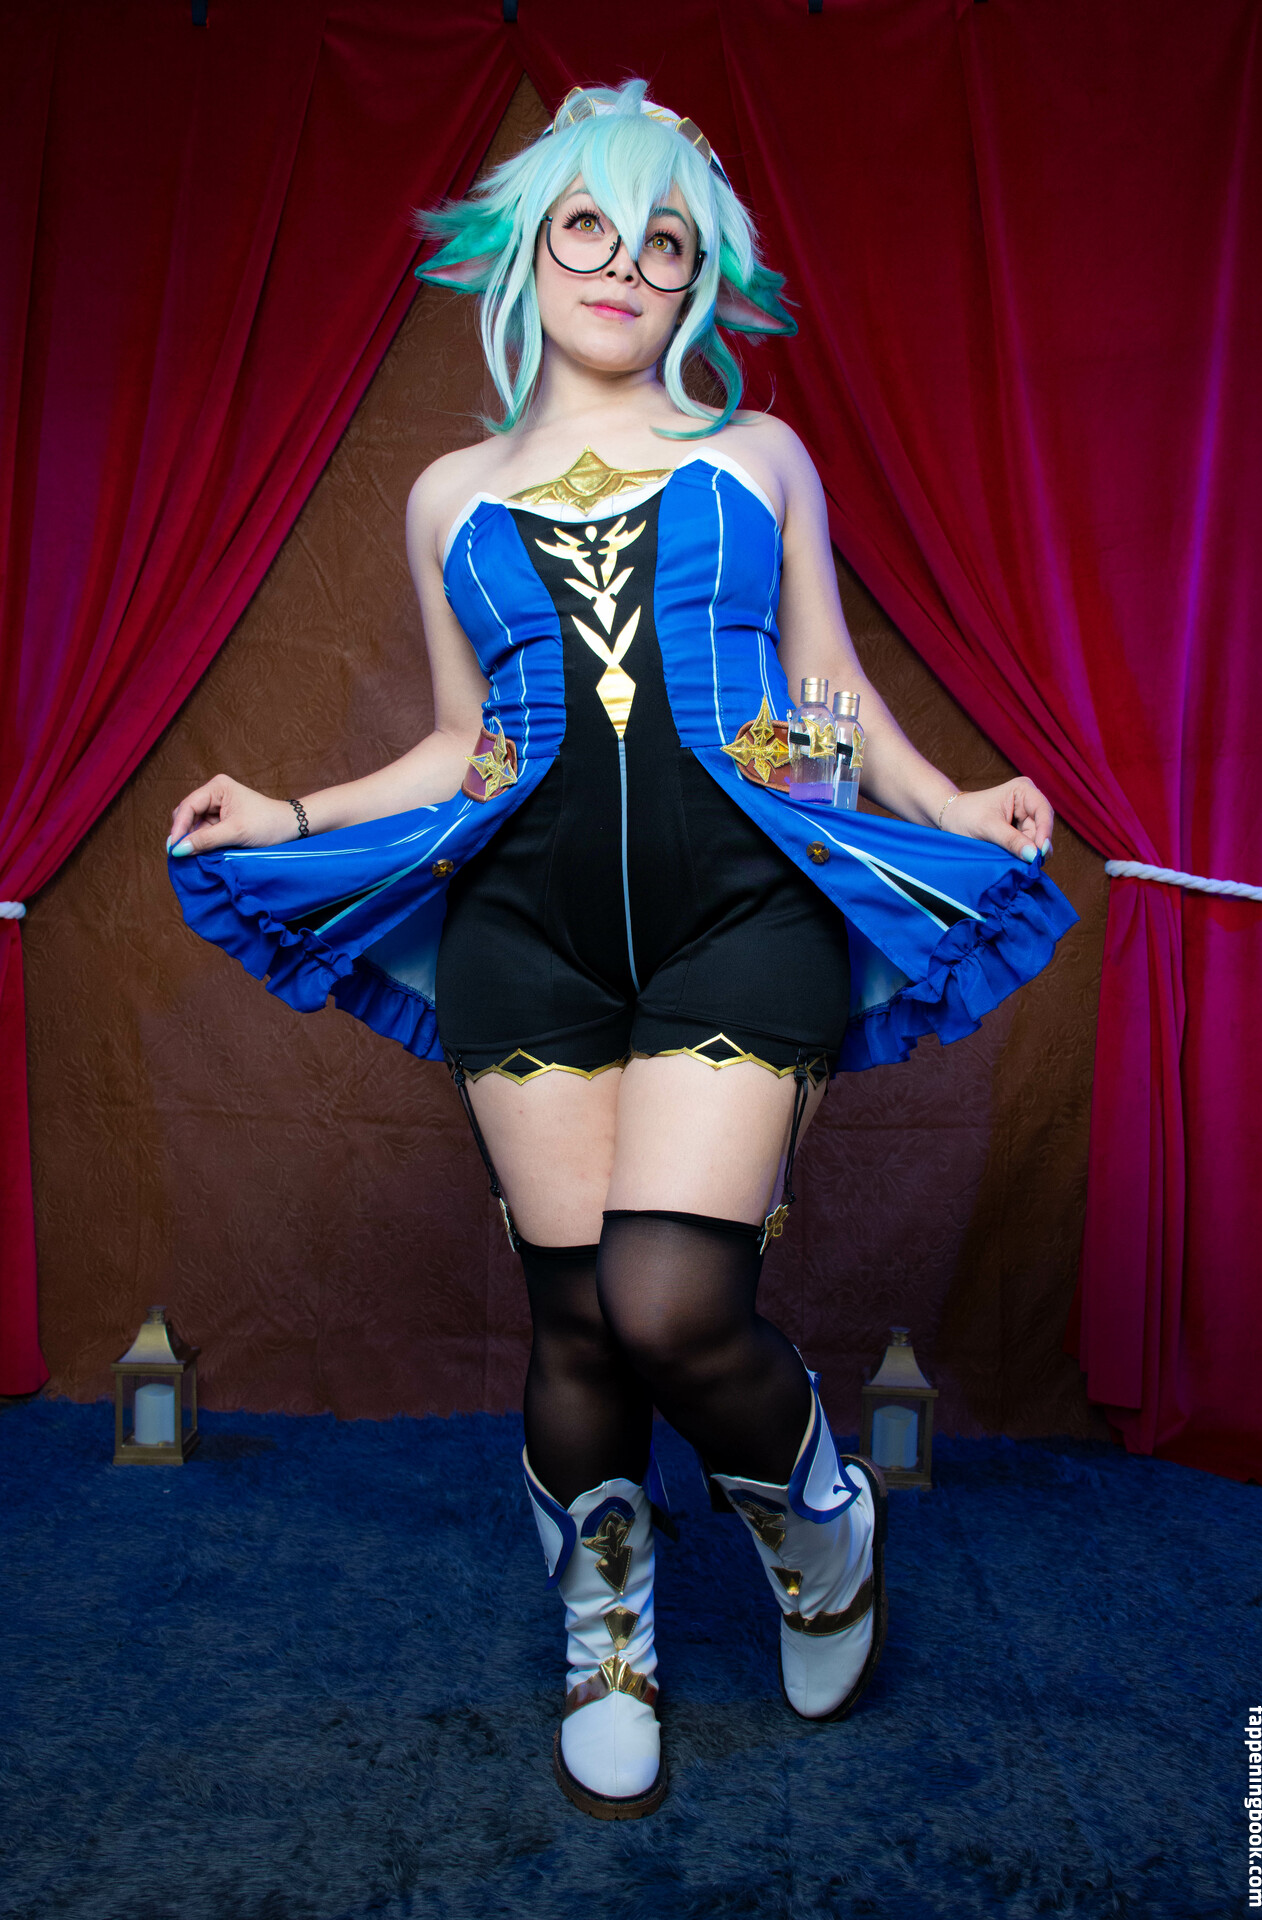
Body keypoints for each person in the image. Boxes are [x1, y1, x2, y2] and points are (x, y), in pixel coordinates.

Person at [167, 82, 1077, 1822]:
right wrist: (292, 812)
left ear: (698, 278)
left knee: (672, 1304)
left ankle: (819, 1523)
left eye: (666, 242)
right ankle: (608, 1628)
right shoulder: (448, 494)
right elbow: (463, 745)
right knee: (579, 1323)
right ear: (529, 249)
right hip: (523, 927)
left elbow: (828, 689)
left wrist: (947, 799)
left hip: (749, 908)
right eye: (590, 226)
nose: (625, 266)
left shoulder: (762, 456)